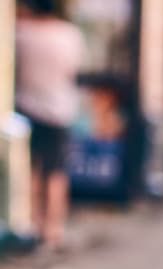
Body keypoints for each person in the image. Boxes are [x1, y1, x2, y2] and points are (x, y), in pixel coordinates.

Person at [14, 0, 85, 248]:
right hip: (59, 111)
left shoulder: (20, 33)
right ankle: (53, 229)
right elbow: (72, 70)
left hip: (26, 109)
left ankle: (31, 223)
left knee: (31, 169)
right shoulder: (69, 34)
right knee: (55, 171)